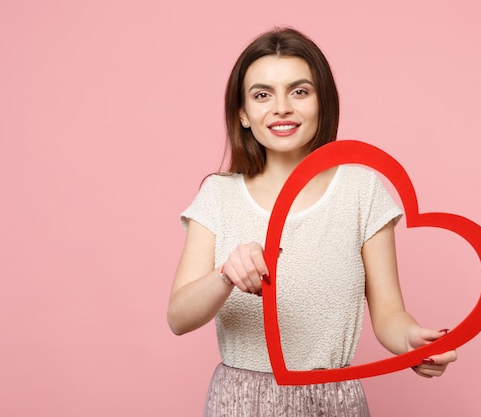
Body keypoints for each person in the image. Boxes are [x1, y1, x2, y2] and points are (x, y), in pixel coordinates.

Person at [167, 27, 458, 417]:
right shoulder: (218, 195)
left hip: (334, 401)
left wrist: (411, 339)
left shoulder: (362, 189)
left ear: (323, 102)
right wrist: (225, 275)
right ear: (243, 113)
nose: (282, 107)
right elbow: (178, 317)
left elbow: (389, 312)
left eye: (299, 91)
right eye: (262, 94)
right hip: (238, 403)